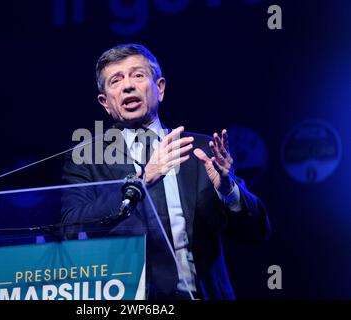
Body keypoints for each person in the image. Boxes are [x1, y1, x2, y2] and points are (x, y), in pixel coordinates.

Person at [61, 43, 271, 300]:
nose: (128, 86)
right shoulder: (86, 159)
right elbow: (71, 228)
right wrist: (141, 180)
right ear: (105, 103)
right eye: (116, 80)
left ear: (159, 88)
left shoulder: (201, 150)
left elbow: (257, 233)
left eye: (137, 75)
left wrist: (229, 192)